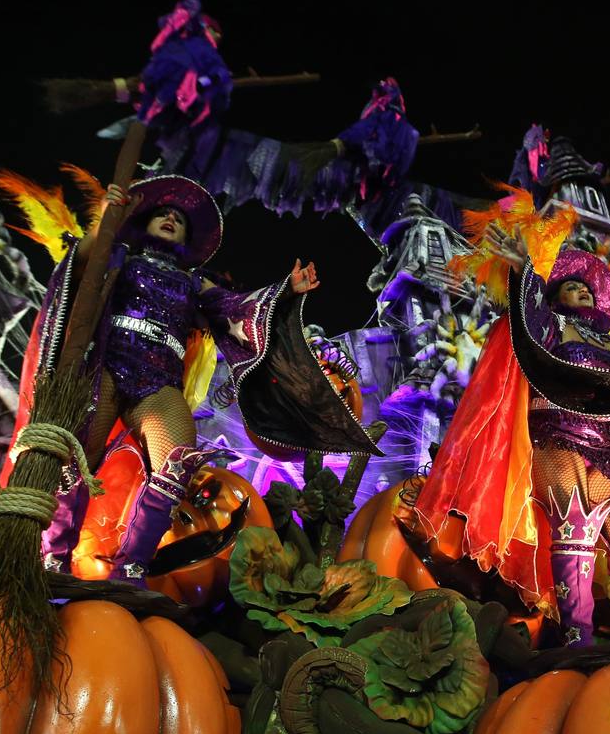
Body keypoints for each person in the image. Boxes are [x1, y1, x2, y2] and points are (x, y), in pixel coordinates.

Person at [22, 174, 377, 585]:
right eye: (163, 214)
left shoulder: (194, 281)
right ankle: (54, 558)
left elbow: (235, 309)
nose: (171, 219)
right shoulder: (120, 256)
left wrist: (285, 293)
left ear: (188, 238)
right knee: (74, 453)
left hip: (158, 381)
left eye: (179, 219)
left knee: (178, 461)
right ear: (143, 223)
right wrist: (106, 222)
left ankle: (130, 568)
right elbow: (79, 264)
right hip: (106, 367)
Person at [415, 241, 610, 645]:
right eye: (571, 286)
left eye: (587, 288)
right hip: (558, 439)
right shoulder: (550, 327)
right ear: (552, 296)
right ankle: (577, 637)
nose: (582, 290)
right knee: (576, 528)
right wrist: (522, 269)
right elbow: (527, 323)